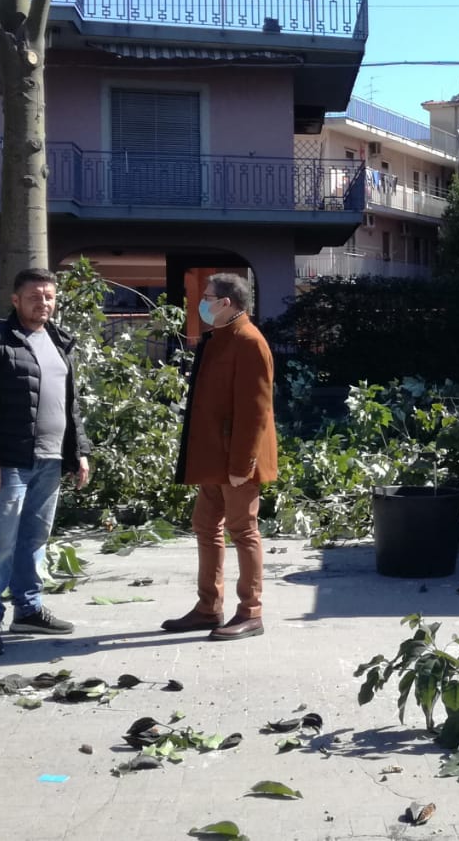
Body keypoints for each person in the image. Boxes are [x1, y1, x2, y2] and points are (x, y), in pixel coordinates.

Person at [0, 267, 91, 656]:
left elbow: (70, 405)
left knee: (34, 539)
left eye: (49, 297)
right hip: (9, 461)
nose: (43, 303)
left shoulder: (59, 341)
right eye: (34, 297)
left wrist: (78, 451)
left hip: (50, 460)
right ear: (15, 300)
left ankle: (28, 609)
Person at [162, 272, 277, 642]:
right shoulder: (221, 338)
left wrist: (243, 465)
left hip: (237, 460)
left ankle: (251, 612)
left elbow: (255, 410)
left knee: (243, 530)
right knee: (205, 525)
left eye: (208, 296)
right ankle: (208, 607)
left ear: (226, 303)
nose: (202, 302)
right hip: (214, 456)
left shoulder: (249, 341)